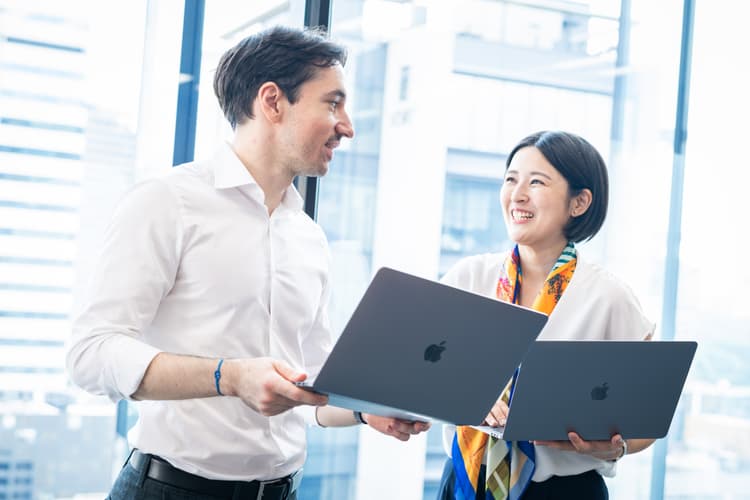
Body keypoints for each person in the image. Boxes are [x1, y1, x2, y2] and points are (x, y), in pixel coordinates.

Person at [66, 26, 428, 499]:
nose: (347, 126)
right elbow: (90, 355)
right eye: (333, 103)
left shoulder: (309, 237)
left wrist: (364, 409)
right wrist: (228, 377)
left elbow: (315, 385)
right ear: (273, 102)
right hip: (172, 490)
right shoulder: (168, 202)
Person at [436, 131, 655, 500]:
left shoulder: (609, 297)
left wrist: (613, 447)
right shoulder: (468, 278)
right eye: (511, 179)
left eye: (536, 182)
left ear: (579, 202)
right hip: (463, 483)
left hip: (564, 491)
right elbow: (419, 375)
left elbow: (647, 418)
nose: (517, 194)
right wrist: (464, 394)